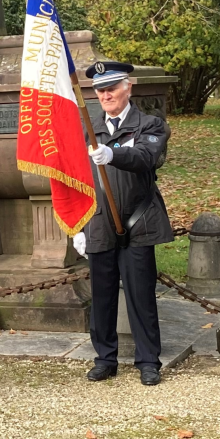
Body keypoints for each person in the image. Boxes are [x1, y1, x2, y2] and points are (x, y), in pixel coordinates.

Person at [71, 62, 171, 386]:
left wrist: (112, 155)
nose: (106, 94)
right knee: (101, 295)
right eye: (100, 90)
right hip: (98, 220)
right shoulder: (87, 126)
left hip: (137, 220)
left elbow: (147, 157)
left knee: (141, 293)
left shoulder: (150, 124)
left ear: (128, 87)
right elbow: (73, 177)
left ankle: (147, 360)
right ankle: (105, 358)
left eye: (112, 87)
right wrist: (75, 227)